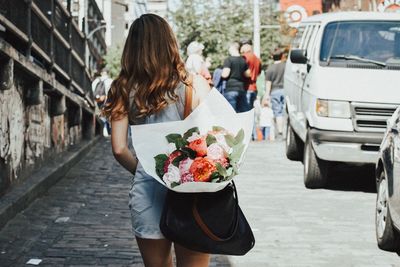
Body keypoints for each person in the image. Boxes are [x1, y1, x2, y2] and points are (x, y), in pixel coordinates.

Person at [103, 14, 211, 267]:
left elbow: (119, 149)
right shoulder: (194, 84)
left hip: (148, 190)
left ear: (133, 48)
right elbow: (212, 137)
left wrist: (145, 171)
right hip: (192, 189)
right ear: (169, 43)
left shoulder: (122, 87)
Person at [221, 42, 251, 112]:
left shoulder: (228, 60)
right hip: (241, 88)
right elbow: (248, 74)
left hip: (231, 88)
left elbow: (225, 74)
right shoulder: (243, 60)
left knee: (231, 112)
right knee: (241, 112)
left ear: (232, 48)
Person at [265, 49, 286, 139]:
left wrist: (267, 95)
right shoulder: (286, 66)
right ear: (282, 56)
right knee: (285, 111)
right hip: (286, 90)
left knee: (278, 112)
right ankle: (286, 131)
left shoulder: (270, 68)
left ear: (272, 57)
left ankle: (280, 132)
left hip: (275, 91)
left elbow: (268, 83)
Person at [240, 42, 262, 109]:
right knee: (251, 110)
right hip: (254, 88)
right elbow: (258, 73)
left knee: (245, 112)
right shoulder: (258, 59)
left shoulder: (244, 57)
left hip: (246, 87)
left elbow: (242, 71)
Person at [92, 68, 113, 136]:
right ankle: (108, 132)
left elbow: (93, 90)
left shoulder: (96, 81)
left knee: (100, 116)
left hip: (98, 101)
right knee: (108, 117)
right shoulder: (110, 81)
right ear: (108, 73)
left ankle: (103, 132)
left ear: (101, 73)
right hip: (108, 101)